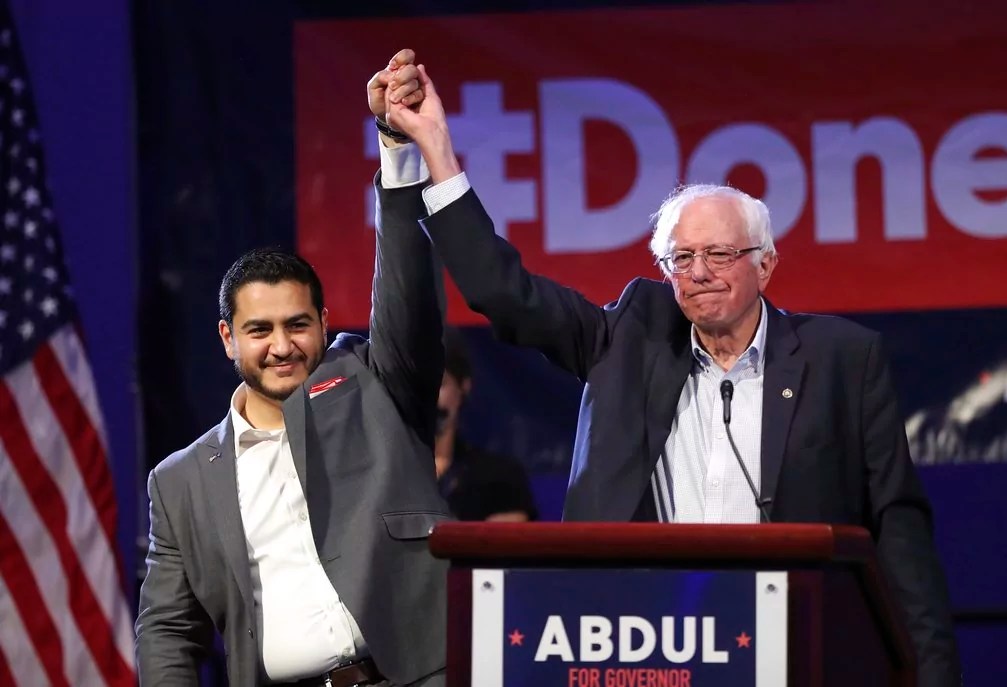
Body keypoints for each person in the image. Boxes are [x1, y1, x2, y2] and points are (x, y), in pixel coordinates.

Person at [370, 51, 962, 684]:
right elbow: (499, 289)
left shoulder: (842, 359)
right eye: (681, 258)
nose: (699, 272)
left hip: (795, 646)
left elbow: (899, 530)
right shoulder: (630, 335)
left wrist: (929, 673)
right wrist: (433, 144)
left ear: (766, 266)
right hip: (646, 647)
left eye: (720, 253)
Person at [135, 55, 448, 687]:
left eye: (297, 325)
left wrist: (396, 149)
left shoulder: (375, 383)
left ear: (325, 323)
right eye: (259, 330)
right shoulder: (181, 481)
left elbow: (408, 297)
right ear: (228, 338)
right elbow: (167, 629)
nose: (282, 346)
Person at [435, 325, 538, 522]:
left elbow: (510, 546)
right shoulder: (386, 478)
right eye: (417, 384)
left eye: (439, 384)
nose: (427, 396)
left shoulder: (499, 478)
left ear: (463, 387)